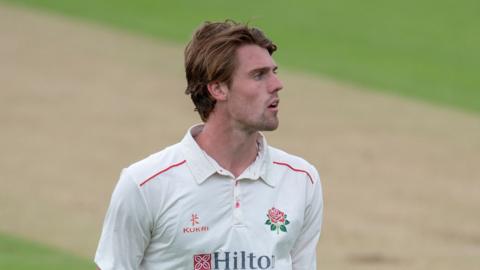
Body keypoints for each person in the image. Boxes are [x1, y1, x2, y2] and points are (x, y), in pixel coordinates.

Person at [95, 20, 323, 270]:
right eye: (258, 75)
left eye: (273, 72)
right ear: (218, 88)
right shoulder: (145, 184)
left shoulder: (301, 180)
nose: (276, 85)